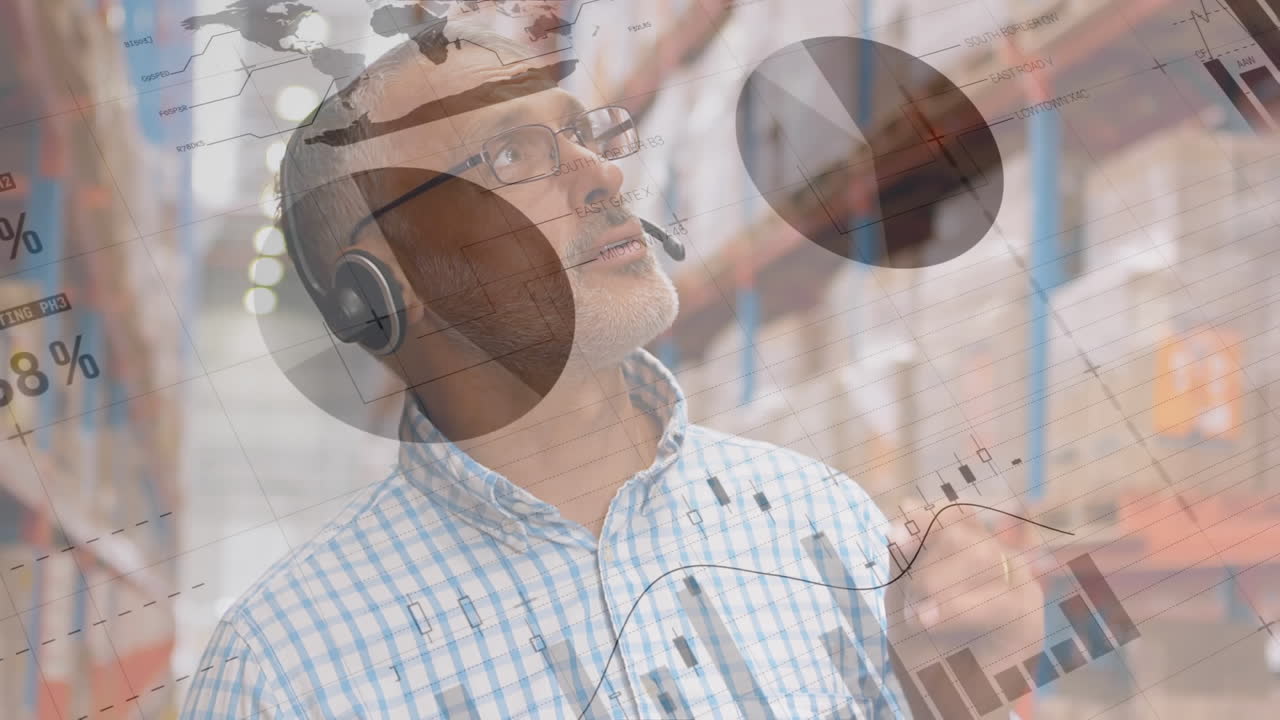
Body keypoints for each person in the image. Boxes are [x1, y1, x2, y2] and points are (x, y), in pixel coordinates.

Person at [182, 12, 1043, 719]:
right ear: (383, 284)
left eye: (583, 135)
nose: (600, 174)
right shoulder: (283, 669)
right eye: (512, 155)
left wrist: (968, 702)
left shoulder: (828, 526)